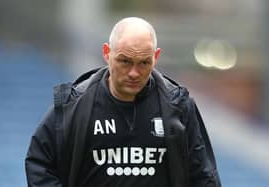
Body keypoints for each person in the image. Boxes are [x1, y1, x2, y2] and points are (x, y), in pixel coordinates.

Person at [25, 17, 221, 187]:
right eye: (125, 61)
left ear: (156, 57)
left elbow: (204, 177)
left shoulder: (179, 107)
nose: (134, 73)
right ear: (106, 53)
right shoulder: (73, 106)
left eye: (144, 63)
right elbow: (39, 164)